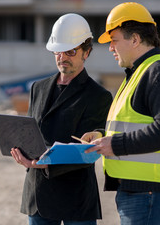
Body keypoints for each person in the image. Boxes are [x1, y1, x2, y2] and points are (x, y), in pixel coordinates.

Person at [81, 2, 160, 225]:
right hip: (141, 191)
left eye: (114, 40)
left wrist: (116, 145)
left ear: (135, 39)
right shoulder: (139, 72)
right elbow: (134, 124)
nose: (111, 47)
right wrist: (103, 136)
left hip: (152, 192)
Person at [10, 13, 113, 225]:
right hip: (39, 196)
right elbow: (30, 132)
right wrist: (22, 151)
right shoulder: (38, 88)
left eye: (70, 51)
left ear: (87, 52)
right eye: (58, 51)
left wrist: (43, 164)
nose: (62, 57)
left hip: (75, 198)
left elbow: (87, 150)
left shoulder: (98, 96)